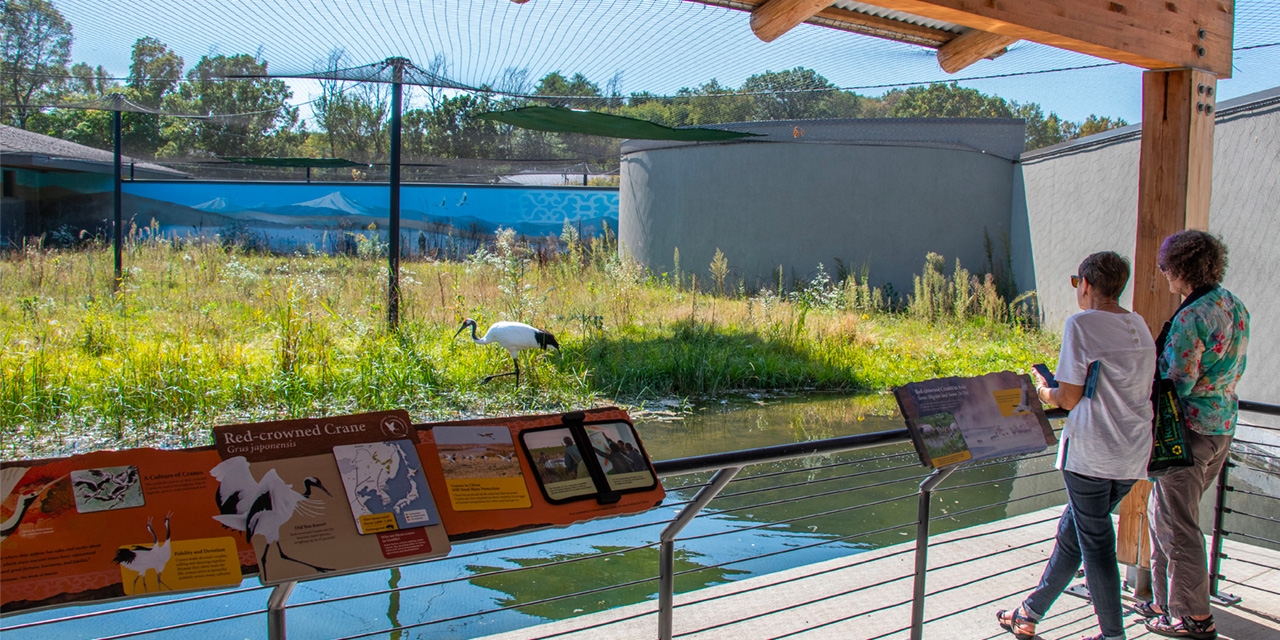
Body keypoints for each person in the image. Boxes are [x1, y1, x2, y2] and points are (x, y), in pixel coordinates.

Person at [998, 251, 1156, 640]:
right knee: (1076, 532)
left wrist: (1041, 389)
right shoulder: (1138, 324)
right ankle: (1029, 613)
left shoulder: (1081, 324)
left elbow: (1067, 397)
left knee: (1096, 544)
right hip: (1133, 451)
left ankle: (1113, 635)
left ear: (1085, 284)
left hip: (1091, 451)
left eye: (1076, 283)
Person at [1138, 230, 1249, 640]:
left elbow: (1176, 383)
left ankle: (1195, 618)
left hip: (1187, 434)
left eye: (1166, 266)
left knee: (1178, 525)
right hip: (1221, 426)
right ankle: (1167, 604)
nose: (1163, 273)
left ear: (1181, 267)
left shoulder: (1191, 317)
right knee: (1162, 515)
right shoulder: (1233, 305)